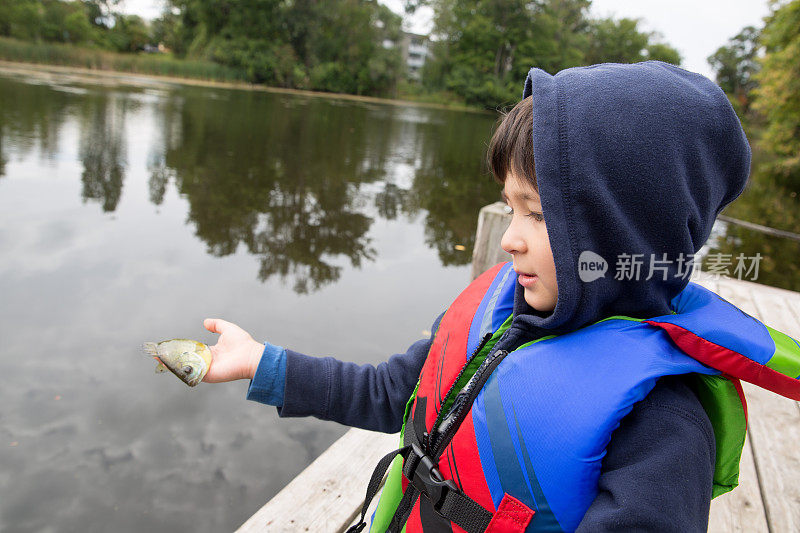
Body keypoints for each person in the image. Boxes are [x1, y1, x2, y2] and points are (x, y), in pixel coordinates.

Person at [199, 61, 783, 532]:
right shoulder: (505, 313)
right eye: (509, 207)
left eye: (536, 213)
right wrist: (261, 363)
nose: (509, 238)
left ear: (623, 231)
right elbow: (389, 392)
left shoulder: (663, 424)